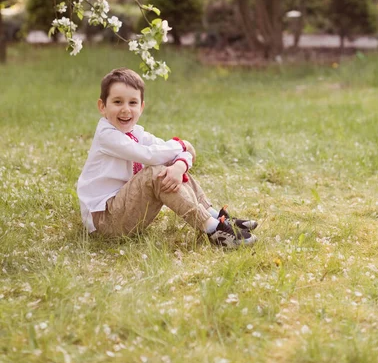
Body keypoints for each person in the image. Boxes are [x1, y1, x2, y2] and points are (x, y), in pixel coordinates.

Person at [77, 68, 258, 248]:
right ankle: (213, 230)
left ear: (141, 107)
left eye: (132, 103)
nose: (125, 109)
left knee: (169, 169)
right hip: (104, 220)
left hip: (126, 210)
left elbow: (166, 151)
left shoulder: (137, 133)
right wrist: (182, 145)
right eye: (117, 102)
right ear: (102, 106)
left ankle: (216, 216)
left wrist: (180, 165)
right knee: (156, 173)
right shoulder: (106, 135)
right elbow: (150, 155)